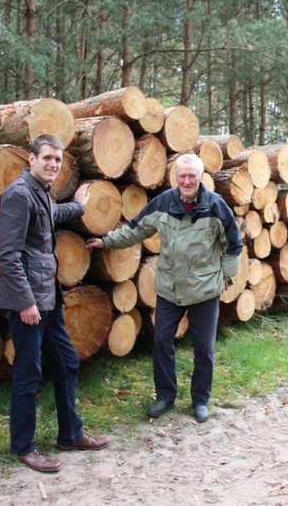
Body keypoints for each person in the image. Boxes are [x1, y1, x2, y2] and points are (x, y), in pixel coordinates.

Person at [86, 153, 242, 423]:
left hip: (205, 291)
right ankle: (165, 396)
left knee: (204, 348)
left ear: (201, 176)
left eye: (192, 175)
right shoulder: (164, 203)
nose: (186, 180)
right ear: (175, 177)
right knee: (161, 342)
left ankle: (200, 400)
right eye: (182, 175)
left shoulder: (216, 206)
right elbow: (136, 229)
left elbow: (234, 246)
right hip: (169, 287)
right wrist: (107, 241)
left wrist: (224, 279)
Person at [0, 134, 109, 473]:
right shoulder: (18, 195)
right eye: (47, 158)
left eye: (57, 160)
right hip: (29, 304)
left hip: (49, 299)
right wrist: (26, 302)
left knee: (67, 363)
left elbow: (51, 214)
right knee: (29, 374)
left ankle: (70, 433)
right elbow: (7, 256)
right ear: (31, 159)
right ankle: (23, 447)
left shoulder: (40, 193)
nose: (53, 164)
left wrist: (79, 206)